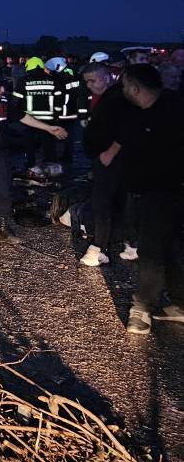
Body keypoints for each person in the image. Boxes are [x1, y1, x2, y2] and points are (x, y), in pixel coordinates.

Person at [98, 65, 184, 334]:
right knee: (168, 248)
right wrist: (111, 153)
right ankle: (180, 303)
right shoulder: (140, 112)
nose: (122, 91)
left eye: (125, 86)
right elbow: (126, 136)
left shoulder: (173, 111)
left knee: (151, 250)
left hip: (166, 192)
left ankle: (142, 308)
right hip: (144, 191)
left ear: (135, 88)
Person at [0, 67, 68, 242]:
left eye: (4, 87)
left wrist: (49, 128)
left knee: (3, 189)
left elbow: (23, 117)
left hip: (0, 153)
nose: (3, 90)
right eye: (0, 86)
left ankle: (2, 227)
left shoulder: (5, 101)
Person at [76, 62, 132, 266]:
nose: (90, 85)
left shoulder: (117, 98)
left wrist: (110, 152)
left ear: (107, 77)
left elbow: (126, 128)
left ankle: (99, 247)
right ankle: (126, 240)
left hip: (111, 157)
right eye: (87, 81)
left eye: (94, 80)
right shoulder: (99, 96)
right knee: (114, 200)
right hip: (101, 156)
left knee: (101, 202)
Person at [16, 57, 59, 165]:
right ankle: (51, 162)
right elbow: (59, 98)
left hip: (30, 119)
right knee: (48, 142)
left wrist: (19, 114)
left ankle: (31, 162)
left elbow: (16, 100)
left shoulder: (23, 81)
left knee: (29, 142)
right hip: (48, 118)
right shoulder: (52, 80)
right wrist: (56, 114)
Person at [47, 56, 81, 164]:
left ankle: (55, 156)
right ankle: (68, 156)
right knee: (70, 135)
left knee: (57, 133)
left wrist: (55, 112)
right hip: (72, 109)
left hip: (62, 112)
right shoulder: (72, 72)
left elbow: (58, 96)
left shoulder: (59, 77)